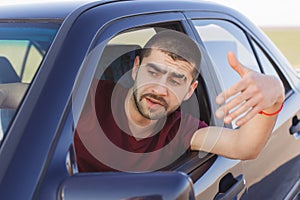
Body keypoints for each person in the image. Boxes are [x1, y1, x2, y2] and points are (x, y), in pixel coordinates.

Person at [0, 30, 285, 172]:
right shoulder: (89, 97)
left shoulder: (182, 130)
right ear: (135, 69)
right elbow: (10, 94)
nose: (160, 89)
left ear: (190, 90)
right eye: (153, 72)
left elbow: (243, 146)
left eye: (175, 80)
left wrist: (273, 96)